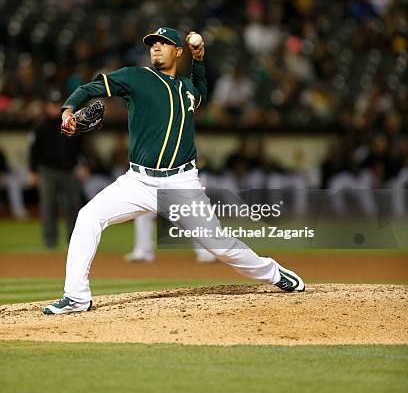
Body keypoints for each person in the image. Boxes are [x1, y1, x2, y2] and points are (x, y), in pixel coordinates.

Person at [43, 27, 305, 314]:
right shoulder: (137, 77)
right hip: (138, 181)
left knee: (220, 246)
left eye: (164, 43)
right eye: (152, 44)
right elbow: (90, 88)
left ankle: (274, 273)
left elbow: (201, 91)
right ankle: (77, 296)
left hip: (182, 184)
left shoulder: (187, 89)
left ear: (178, 51)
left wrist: (200, 59)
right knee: (88, 217)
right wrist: (68, 110)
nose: (156, 47)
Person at [29, 90, 82, 248]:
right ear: (46, 106)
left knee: (72, 207)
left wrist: (82, 164)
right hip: (48, 171)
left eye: (57, 104)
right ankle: (50, 241)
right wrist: (32, 171)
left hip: (69, 170)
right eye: (52, 104)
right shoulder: (39, 126)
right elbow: (33, 150)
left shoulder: (70, 122)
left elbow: (80, 148)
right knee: (48, 207)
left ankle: (72, 241)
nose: (54, 107)